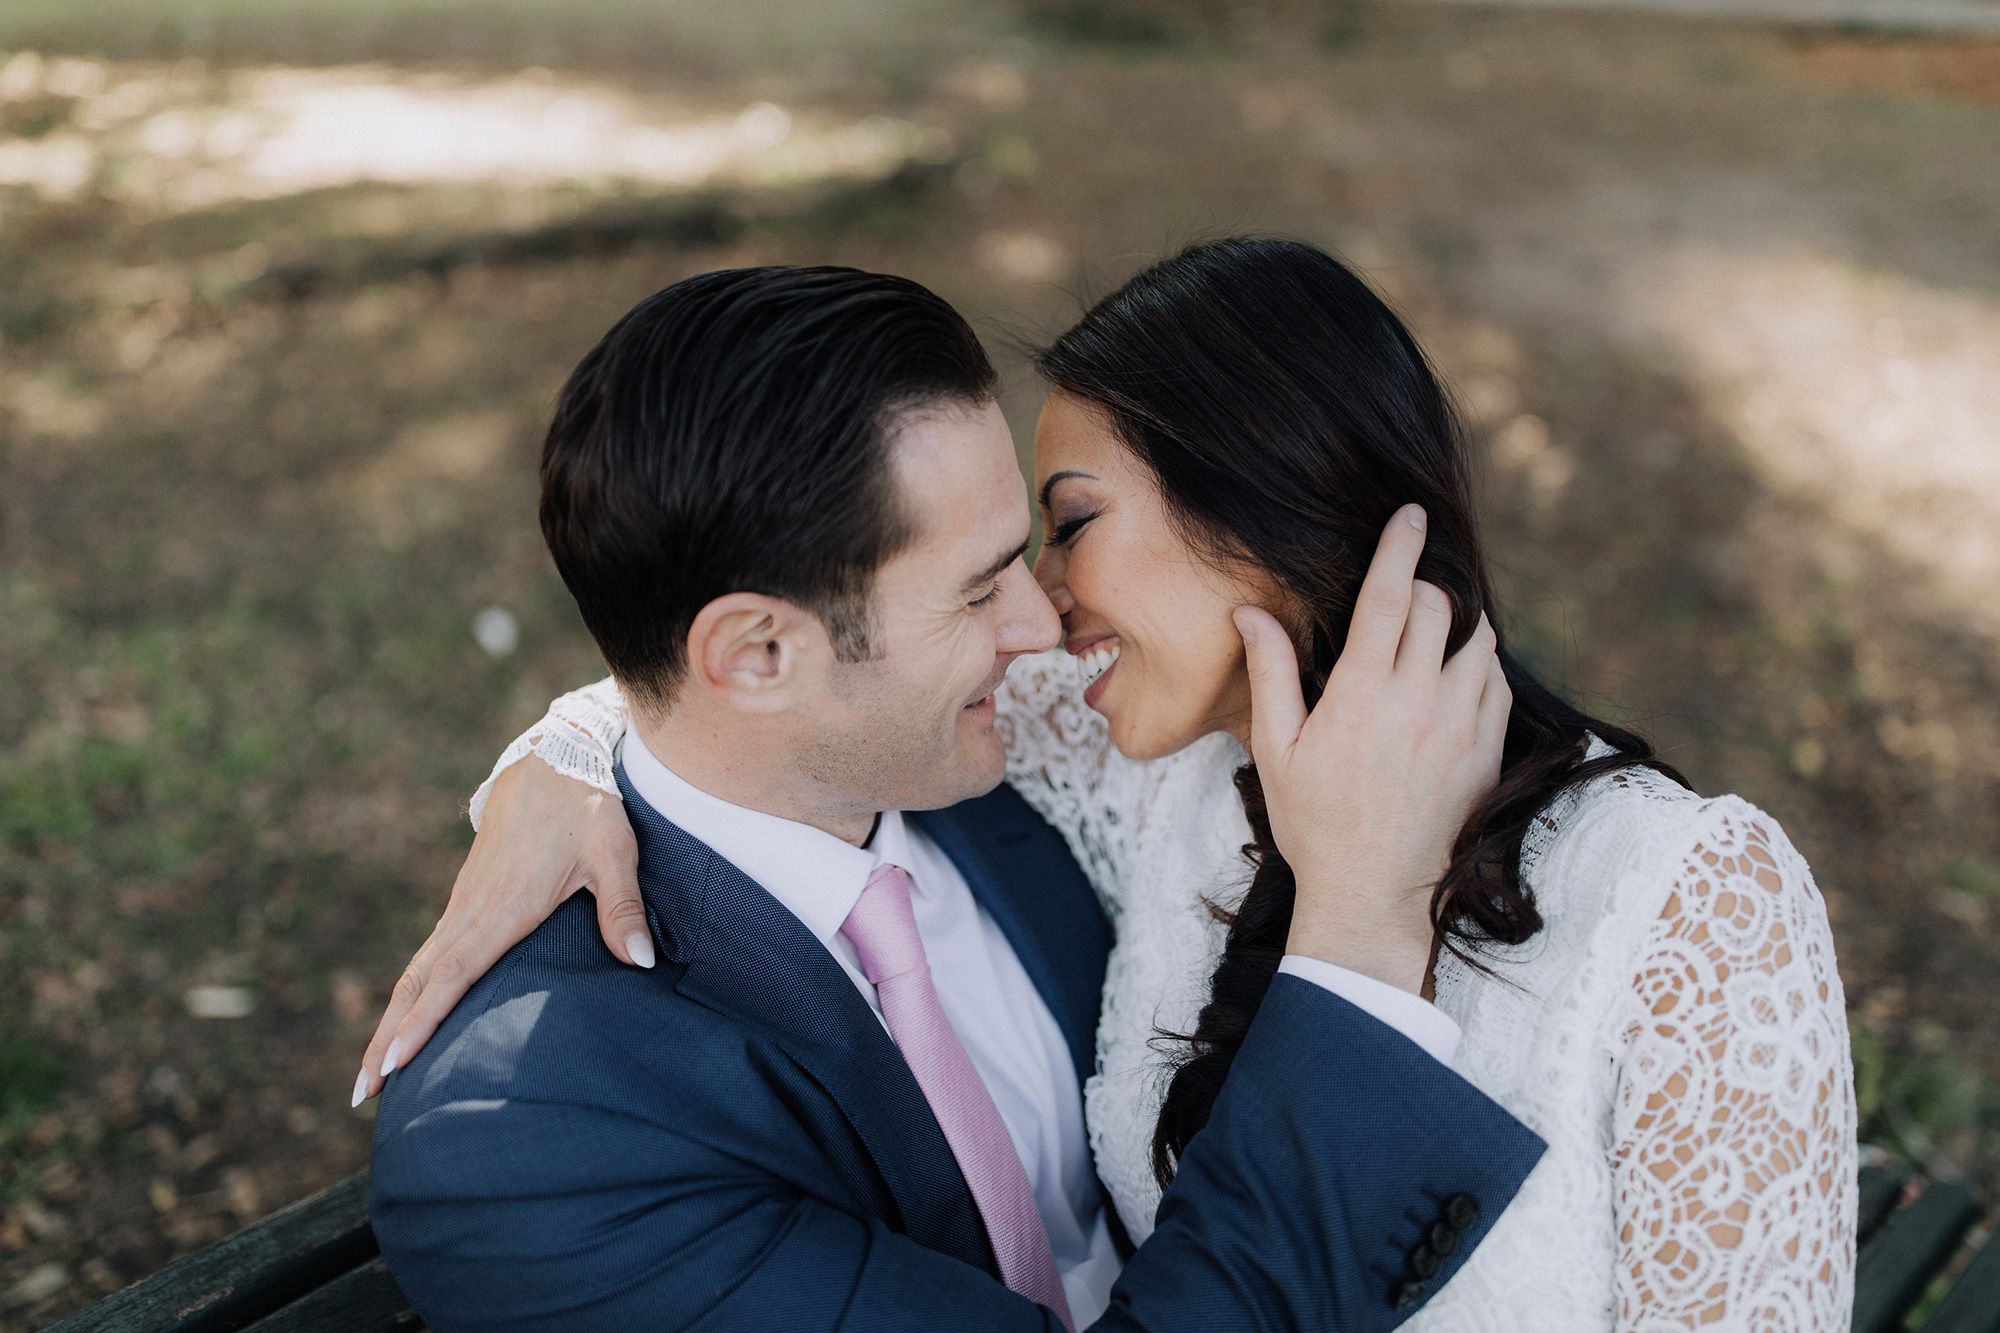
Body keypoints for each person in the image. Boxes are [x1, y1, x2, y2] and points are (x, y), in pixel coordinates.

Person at [368, 241, 1860, 1329]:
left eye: (1055, 532)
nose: (1040, 624)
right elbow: (703, 711)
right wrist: (571, 754)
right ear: (759, 650)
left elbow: (743, 704)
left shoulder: (1051, 749)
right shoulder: (534, 1133)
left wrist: (565, 750)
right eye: (989, 581)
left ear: (1281, 513)